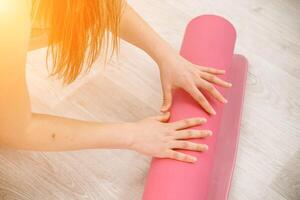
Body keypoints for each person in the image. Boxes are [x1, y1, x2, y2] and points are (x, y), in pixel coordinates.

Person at [0, 0, 231, 163]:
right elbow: (17, 128)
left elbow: (102, 5)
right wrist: (133, 135)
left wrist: (165, 55)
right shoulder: (8, 17)